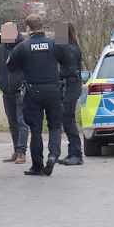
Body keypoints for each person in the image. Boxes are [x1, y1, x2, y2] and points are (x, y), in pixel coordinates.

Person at [7, 13, 68, 177]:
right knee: (55, 126)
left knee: (36, 129)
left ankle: (37, 165)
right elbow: (68, 60)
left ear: (28, 28)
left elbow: (11, 66)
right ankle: (54, 154)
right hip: (54, 90)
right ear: (42, 26)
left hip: (33, 91)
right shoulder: (54, 43)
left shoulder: (23, 46)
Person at [0, 22, 28, 165]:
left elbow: (28, 67)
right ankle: (16, 150)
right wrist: (1, 83)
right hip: (6, 92)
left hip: (21, 91)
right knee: (12, 122)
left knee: (22, 122)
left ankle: (22, 152)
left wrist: (22, 82)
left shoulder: (23, 48)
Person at [57, 23, 84, 166]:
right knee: (67, 119)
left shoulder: (69, 49)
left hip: (70, 86)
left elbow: (71, 71)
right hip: (70, 86)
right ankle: (72, 151)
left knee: (68, 119)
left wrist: (56, 74)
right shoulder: (71, 47)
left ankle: (77, 153)